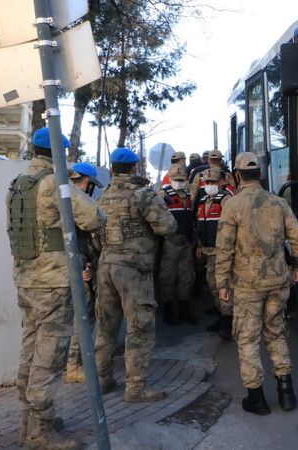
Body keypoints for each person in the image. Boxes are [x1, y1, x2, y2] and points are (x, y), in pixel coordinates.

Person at [7, 127, 106, 449]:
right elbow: (94, 217)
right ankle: (40, 434)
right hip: (53, 282)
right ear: (59, 152)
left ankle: (29, 422)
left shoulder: (18, 184)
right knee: (49, 358)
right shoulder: (54, 182)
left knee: (30, 351)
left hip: (26, 278)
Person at [215, 152, 298, 415]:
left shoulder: (232, 206)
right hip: (278, 280)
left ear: (236, 175)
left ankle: (257, 398)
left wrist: (221, 282)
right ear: (261, 175)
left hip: (247, 284)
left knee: (248, 338)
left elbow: (224, 248)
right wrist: (296, 267)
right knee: (276, 331)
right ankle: (286, 392)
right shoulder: (278, 203)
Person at [94, 147, 178, 403]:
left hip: (106, 266)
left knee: (106, 326)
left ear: (111, 169)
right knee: (139, 327)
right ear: (135, 168)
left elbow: (96, 235)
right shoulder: (142, 194)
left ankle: (102, 380)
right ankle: (136, 388)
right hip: (134, 270)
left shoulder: (103, 196)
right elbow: (167, 227)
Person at [64, 162, 105, 384]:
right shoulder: (76, 203)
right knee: (82, 319)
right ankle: (73, 367)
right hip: (76, 271)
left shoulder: (63, 199)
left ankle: (72, 365)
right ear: (86, 181)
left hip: (77, 268)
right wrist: (80, 269)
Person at [195, 167, 233, 339]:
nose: (209, 185)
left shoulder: (226, 200)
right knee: (212, 283)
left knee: (223, 284)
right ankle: (222, 314)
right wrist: (199, 246)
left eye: (212, 182)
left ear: (220, 182)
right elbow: (200, 225)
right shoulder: (203, 201)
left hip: (222, 251)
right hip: (208, 250)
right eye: (207, 182)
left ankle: (227, 321)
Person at [157, 164, 197, 325]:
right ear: (170, 179)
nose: (179, 182)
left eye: (182, 179)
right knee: (167, 276)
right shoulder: (163, 194)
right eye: (176, 180)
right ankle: (168, 311)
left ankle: (184, 309)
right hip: (170, 242)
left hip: (186, 241)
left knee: (186, 276)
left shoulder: (187, 195)